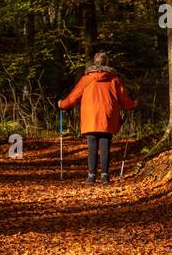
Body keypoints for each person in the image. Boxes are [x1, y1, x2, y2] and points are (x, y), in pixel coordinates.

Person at [58, 51, 137, 185]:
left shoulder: (86, 79)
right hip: (107, 117)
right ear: (107, 63)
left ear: (95, 63)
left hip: (90, 118)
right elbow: (124, 100)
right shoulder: (114, 79)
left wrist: (62, 104)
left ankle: (91, 176)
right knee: (105, 146)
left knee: (92, 147)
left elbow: (73, 97)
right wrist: (133, 105)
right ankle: (105, 176)